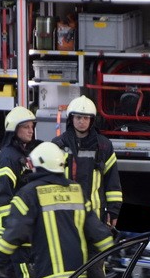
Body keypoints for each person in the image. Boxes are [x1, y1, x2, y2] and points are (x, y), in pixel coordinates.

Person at [0, 141, 114, 278]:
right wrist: (111, 249)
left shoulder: (28, 194)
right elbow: (96, 231)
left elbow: (15, 231)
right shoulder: (76, 190)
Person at [0, 106, 40, 278]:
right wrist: (14, 228)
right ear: (14, 130)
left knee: (3, 277)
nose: (30, 130)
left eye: (31, 126)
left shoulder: (21, 154)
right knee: (24, 270)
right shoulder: (9, 157)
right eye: (26, 127)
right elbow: (4, 197)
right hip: (14, 228)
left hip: (18, 226)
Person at [52, 95, 122, 226]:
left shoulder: (104, 146)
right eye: (78, 117)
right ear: (71, 118)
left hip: (94, 218)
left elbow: (112, 182)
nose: (81, 121)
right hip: (65, 217)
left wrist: (114, 212)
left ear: (92, 120)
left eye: (85, 118)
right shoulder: (58, 145)